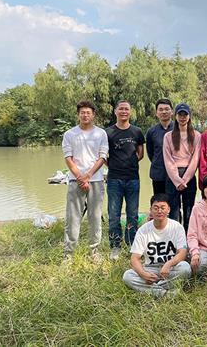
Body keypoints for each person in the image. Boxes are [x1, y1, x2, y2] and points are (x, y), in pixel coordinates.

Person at [61, 101, 108, 263]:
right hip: (76, 180)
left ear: (93, 115)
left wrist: (88, 175)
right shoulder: (70, 134)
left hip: (96, 180)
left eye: (88, 112)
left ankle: (94, 251)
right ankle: (68, 254)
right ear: (78, 114)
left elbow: (102, 157)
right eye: (82, 112)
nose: (85, 115)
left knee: (95, 217)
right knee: (72, 217)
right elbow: (68, 158)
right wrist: (80, 177)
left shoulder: (101, 133)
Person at [123, 194, 191, 297]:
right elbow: (134, 258)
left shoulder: (177, 227)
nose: (159, 211)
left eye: (163, 208)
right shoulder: (143, 230)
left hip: (171, 268)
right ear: (150, 210)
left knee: (185, 268)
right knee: (127, 276)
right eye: (156, 208)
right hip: (151, 269)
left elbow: (182, 253)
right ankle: (165, 293)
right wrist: (143, 274)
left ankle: (153, 289)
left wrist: (168, 264)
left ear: (168, 210)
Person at [106, 100, 145, 260]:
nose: (124, 111)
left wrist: (129, 163)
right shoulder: (108, 132)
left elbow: (140, 154)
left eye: (126, 109)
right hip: (114, 179)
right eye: (121, 109)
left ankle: (132, 244)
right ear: (115, 111)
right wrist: (114, 165)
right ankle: (115, 245)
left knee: (133, 214)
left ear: (130, 112)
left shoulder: (137, 131)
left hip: (133, 178)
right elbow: (103, 155)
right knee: (114, 214)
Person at [162, 102, 201, 232]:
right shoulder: (168, 136)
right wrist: (177, 180)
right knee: (174, 210)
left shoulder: (196, 135)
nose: (183, 117)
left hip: (189, 175)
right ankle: (175, 236)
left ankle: (189, 237)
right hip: (173, 176)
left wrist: (186, 179)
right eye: (180, 115)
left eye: (185, 114)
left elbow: (195, 159)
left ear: (189, 116)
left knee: (189, 209)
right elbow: (168, 159)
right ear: (176, 116)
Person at [146, 99, 174, 195]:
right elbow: (150, 153)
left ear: (172, 112)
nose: (164, 112)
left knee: (175, 202)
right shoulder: (151, 132)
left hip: (176, 174)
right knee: (159, 201)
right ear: (156, 113)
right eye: (161, 109)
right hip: (158, 174)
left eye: (167, 109)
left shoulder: (178, 129)